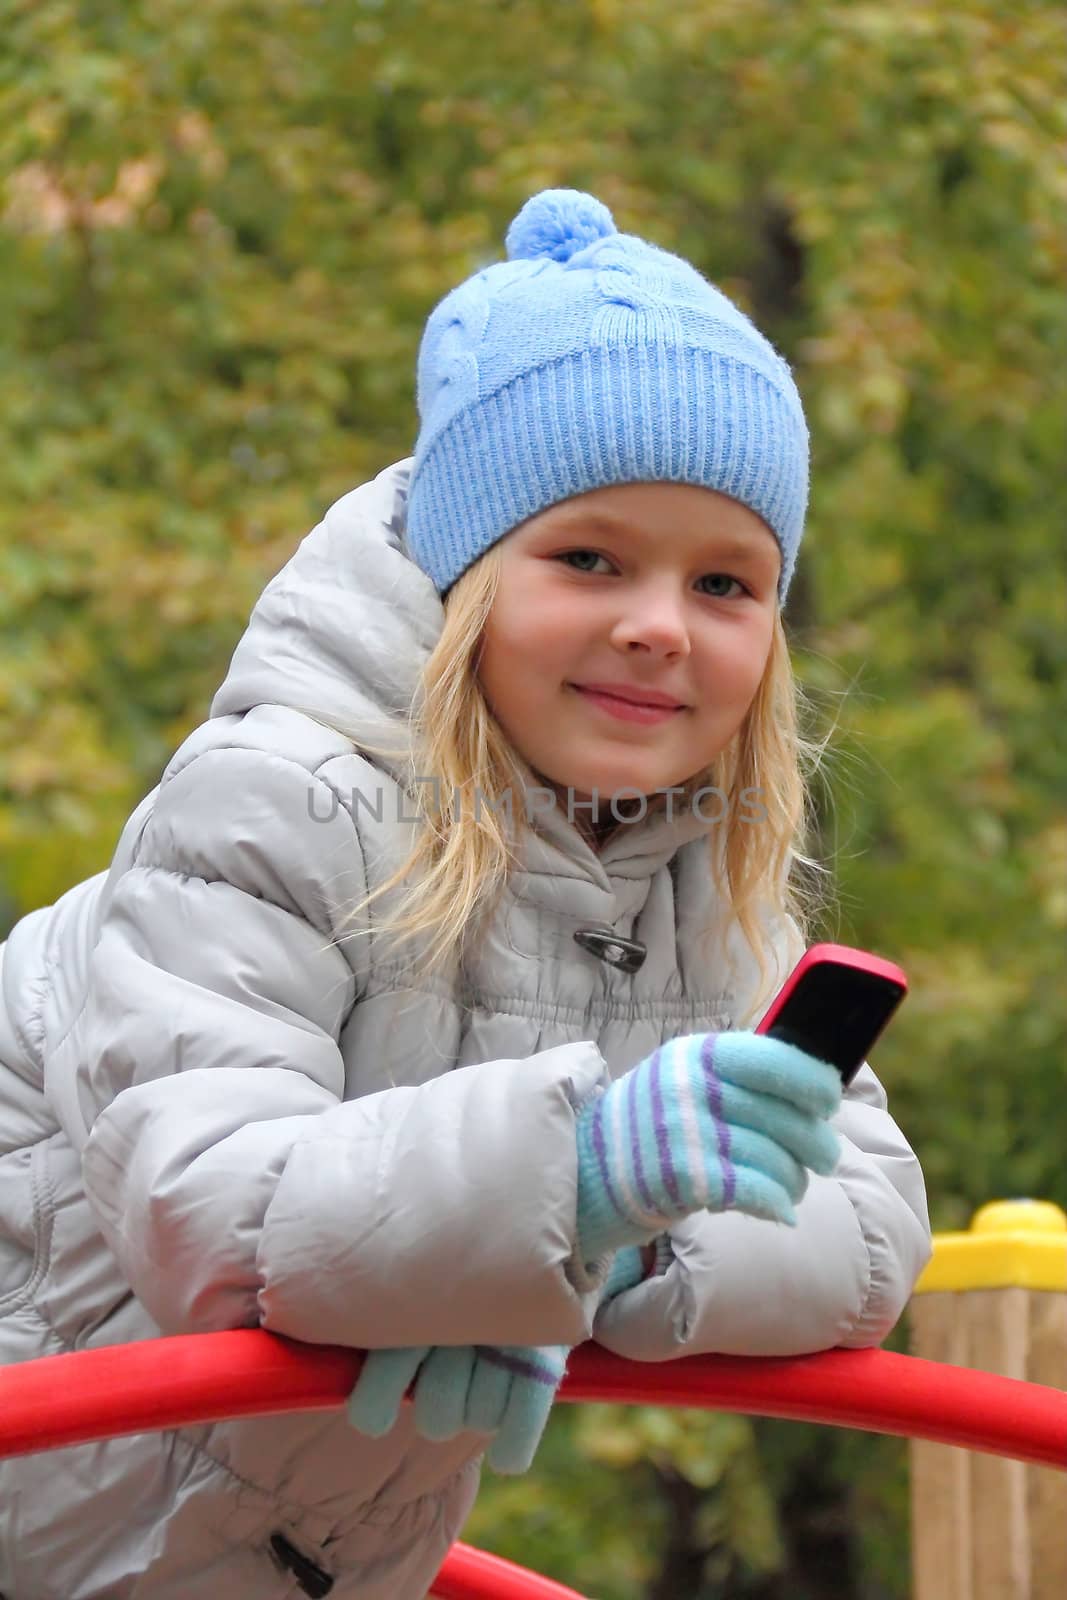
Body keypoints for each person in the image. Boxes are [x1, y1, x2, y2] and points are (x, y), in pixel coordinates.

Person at [0, 188, 931, 1599]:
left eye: (728, 582)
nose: (659, 624)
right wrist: (574, 1178)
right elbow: (221, 1212)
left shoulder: (704, 887)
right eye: (589, 558)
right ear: (464, 576)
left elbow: (867, 1226)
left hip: (267, 1553)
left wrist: (611, 1255)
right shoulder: (274, 803)